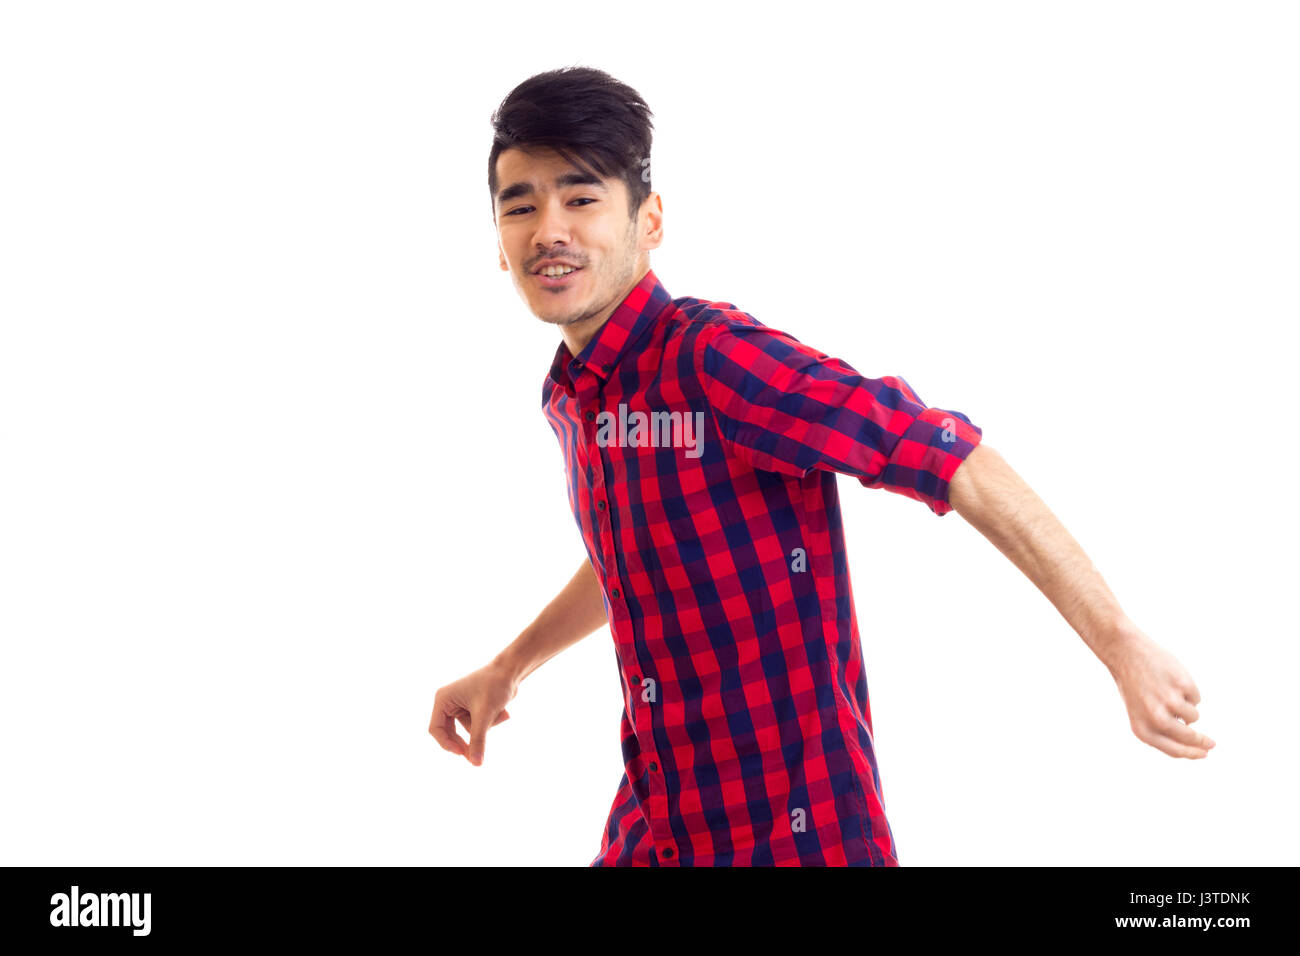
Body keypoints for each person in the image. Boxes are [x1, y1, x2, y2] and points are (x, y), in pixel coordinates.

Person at [429, 66, 1215, 866]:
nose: (548, 229)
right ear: (498, 243)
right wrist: (509, 666)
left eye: (581, 198)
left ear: (651, 219)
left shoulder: (715, 360)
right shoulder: (576, 395)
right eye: (519, 205)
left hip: (794, 836)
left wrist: (1120, 642)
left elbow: (955, 459)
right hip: (660, 821)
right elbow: (631, 555)